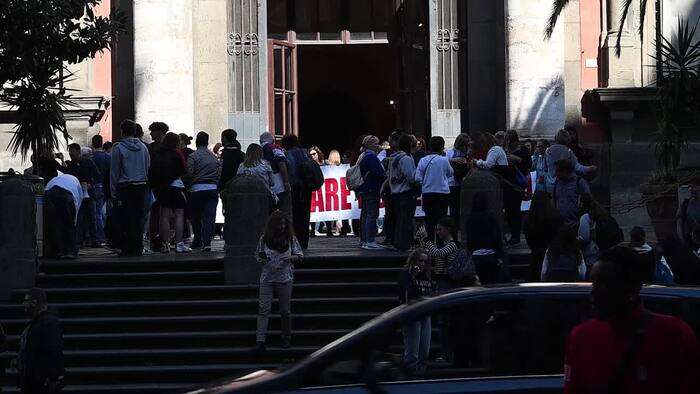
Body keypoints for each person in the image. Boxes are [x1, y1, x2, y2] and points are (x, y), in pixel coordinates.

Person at [564, 246, 699, 393]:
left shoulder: (674, 335)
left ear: (631, 287)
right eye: (593, 283)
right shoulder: (581, 338)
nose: (593, 292)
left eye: (603, 284)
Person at [255, 211, 303, 352]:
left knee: (285, 310)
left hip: (284, 277)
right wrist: (262, 259)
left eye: (284, 224)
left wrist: (290, 258)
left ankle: (286, 337)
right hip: (267, 277)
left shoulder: (290, 239)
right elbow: (257, 255)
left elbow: (300, 255)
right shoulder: (264, 239)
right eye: (279, 224)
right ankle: (260, 340)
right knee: (263, 308)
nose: (282, 227)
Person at [416, 217, 460, 363]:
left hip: (447, 283)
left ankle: (447, 355)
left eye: (440, 229)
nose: (438, 232)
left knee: (443, 321)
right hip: (442, 282)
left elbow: (437, 253)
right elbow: (431, 253)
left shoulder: (452, 245)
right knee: (442, 321)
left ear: (448, 229)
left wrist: (426, 239)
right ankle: (446, 353)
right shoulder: (446, 244)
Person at [111, 119, 150, 257]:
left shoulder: (118, 148)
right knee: (139, 217)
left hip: (125, 187)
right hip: (141, 186)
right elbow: (147, 166)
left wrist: (113, 192)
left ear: (122, 131)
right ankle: (138, 246)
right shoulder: (144, 148)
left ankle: (128, 247)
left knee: (127, 217)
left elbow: (114, 171)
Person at [16, 288, 64, 394]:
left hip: (40, 381)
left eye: (26, 301)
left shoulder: (48, 323)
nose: (24, 304)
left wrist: (53, 377)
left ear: (34, 303)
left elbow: (54, 351)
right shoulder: (38, 322)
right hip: (34, 379)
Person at [149, 132, 190, 253]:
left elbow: (153, 171)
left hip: (163, 188)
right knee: (179, 215)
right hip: (176, 186)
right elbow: (183, 170)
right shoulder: (177, 154)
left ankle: (165, 244)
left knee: (164, 216)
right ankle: (178, 244)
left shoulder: (157, 154)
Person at [398, 249, 435, 373]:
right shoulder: (406, 274)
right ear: (414, 260)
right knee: (412, 351)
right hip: (412, 313)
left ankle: (420, 373)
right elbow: (406, 295)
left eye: (426, 261)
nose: (423, 264)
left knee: (424, 349)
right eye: (421, 261)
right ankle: (410, 376)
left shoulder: (427, 275)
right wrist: (413, 276)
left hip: (425, 313)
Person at [186, 132, 221, 252]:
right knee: (209, 217)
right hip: (212, 189)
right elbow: (218, 174)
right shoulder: (214, 158)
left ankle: (198, 240)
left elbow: (189, 173)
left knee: (196, 217)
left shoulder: (193, 156)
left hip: (197, 189)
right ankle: (207, 243)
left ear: (197, 141)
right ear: (207, 142)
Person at [415, 136, 454, 242]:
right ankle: (441, 244)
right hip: (442, 193)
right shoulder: (444, 160)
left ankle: (430, 243)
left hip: (428, 193)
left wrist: (426, 182)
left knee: (429, 220)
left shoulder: (423, 160)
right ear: (442, 147)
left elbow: (417, 178)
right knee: (441, 220)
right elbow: (451, 173)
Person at [65, 143, 101, 249]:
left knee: (92, 217)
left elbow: (97, 175)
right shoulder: (71, 165)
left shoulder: (88, 162)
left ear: (78, 151)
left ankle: (93, 239)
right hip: (78, 194)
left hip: (88, 193)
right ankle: (80, 240)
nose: (71, 154)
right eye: (70, 152)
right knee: (80, 218)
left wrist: (90, 183)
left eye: (72, 151)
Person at [465, 193, 506, 284]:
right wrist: (499, 254)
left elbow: (469, 238)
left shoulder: (470, 219)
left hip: (476, 255)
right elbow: (496, 237)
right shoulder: (490, 217)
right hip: (490, 254)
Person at [281, 134, 313, 249]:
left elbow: (291, 172)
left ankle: (295, 242)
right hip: (307, 187)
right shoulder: (306, 153)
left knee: (294, 215)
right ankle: (304, 242)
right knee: (305, 215)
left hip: (295, 188)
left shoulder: (288, 154)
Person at [389, 134, 418, 252]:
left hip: (396, 192)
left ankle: (399, 243)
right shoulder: (405, 158)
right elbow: (411, 177)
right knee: (406, 220)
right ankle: (404, 245)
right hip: (405, 192)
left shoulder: (393, 158)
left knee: (400, 219)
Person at [44, 174, 84, 259]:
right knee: (69, 223)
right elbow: (78, 201)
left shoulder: (55, 179)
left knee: (53, 223)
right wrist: (75, 219)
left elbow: (46, 191)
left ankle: (55, 250)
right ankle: (71, 251)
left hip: (50, 192)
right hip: (66, 195)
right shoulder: (76, 182)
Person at [525, 190, 563, 281]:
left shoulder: (529, 219)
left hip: (536, 257)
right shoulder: (556, 217)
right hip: (551, 257)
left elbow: (528, 240)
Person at [357, 135, 386, 250]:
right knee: (371, 214)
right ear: (369, 144)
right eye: (375, 143)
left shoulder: (362, 155)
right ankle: (370, 240)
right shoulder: (371, 157)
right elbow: (379, 172)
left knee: (365, 214)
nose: (377, 146)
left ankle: (364, 239)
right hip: (372, 189)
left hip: (365, 189)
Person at [544, 129, 597, 193]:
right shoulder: (568, 151)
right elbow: (577, 167)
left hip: (550, 185)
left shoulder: (548, 151)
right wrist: (589, 168)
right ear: (567, 139)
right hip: (565, 185)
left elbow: (545, 168)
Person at [260, 132, 291, 217]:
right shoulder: (274, 147)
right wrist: (286, 182)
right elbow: (281, 163)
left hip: (264, 187)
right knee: (283, 213)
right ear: (273, 140)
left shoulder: (257, 150)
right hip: (279, 186)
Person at [553, 159, 591, 228]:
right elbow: (555, 201)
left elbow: (589, 202)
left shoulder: (579, 183)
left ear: (565, 171)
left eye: (557, 171)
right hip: (560, 226)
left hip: (575, 226)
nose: (555, 174)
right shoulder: (557, 182)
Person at [446, 133, 470, 227]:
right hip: (453, 184)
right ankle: (454, 229)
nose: (465, 147)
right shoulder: (450, 152)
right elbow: (445, 163)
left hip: (465, 184)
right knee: (454, 210)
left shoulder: (468, 153)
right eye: (464, 145)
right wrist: (453, 160)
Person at [91, 135, 110, 246]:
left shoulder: (91, 157)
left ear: (93, 143)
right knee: (103, 212)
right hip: (105, 187)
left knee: (96, 213)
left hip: (94, 186)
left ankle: (100, 236)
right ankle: (105, 234)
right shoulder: (108, 157)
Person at [218, 129, 246, 199]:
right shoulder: (242, 154)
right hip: (240, 186)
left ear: (224, 138)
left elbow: (220, 171)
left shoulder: (224, 155)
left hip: (225, 186)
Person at [678, 180, 700, 245]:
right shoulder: (686, 204)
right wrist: (682, 239)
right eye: (690, 186)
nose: (691, 189)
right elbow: (679, 223)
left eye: (695, 187)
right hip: (690, 240)